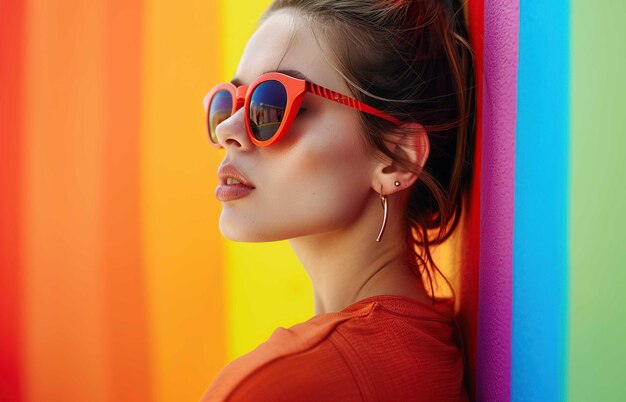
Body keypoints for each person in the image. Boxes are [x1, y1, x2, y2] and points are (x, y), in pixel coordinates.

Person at [201, 0, 475, 400]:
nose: (227, 128)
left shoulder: (271, 386)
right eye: (229, 102)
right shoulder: (430, 349)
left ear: (396, 159)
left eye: (271, 104)